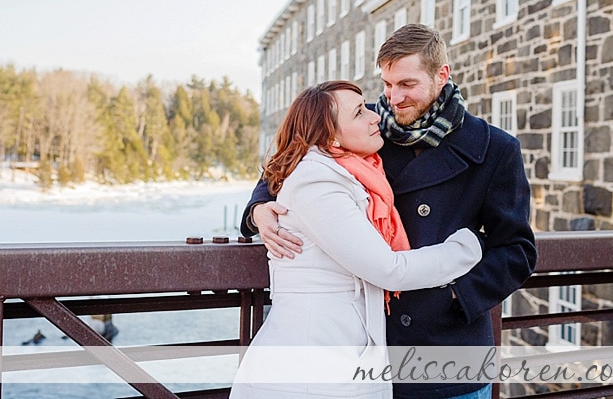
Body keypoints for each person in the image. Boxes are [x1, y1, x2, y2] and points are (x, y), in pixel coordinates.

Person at [241, 24, 538, 399]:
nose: (393, 99)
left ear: (441, 75)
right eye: (386, 84)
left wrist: (454, 298)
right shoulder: (367, 134)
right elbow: (300, 159)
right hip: (376, 346)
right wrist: (260, 207)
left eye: (407, 85)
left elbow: (517, 251)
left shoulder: (495, 149)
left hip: (449, 352)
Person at [230, 80, 484, 399]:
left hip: (346, 360)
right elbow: (389, 269)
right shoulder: (317, 180)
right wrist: (468, 248)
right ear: (330, 135)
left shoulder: (355, 164)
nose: (376, 114)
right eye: (361, 111)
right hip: (311, 370)